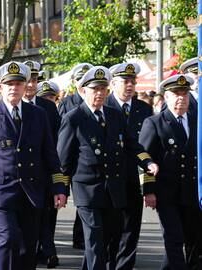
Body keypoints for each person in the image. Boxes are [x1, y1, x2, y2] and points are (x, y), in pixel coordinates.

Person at [0, 61, 67, 270]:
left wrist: (59, 187)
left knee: (28, 246)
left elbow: (50, 154)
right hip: (1, 190)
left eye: (19, 83)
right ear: (0, 87)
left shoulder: (38, 114)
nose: (14, 87)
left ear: (25, 86)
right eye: (9, 83)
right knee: (8, 238)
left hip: (32, 189)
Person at [57, 66, 159, 270]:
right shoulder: (74, 118)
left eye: (103, 89)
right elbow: (63, 160)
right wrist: (60, 190)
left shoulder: (114, 115)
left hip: (113, 189)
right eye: (95, 89)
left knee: (107, 241)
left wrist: (147, 162)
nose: (100, 93)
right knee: (95, 241)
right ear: (83, 90)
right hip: (88, 191)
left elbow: (131, 144)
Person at [139, 74, 200, 270]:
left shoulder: (196, 121)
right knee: (174, 238)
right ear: (166, 96)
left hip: (192, 191)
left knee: (194, 240)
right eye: (176, 94)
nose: (181, 98)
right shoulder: (155, 122)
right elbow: (144, 158)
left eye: (184, 93)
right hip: (167, 192)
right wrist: (148, 190)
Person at [105, 63, 153, 270]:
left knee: (131, 230)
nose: (130, 85)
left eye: (133, 81)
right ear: (113, 83)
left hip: (133, 177)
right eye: (125, 81)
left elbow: (149, 147)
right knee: (110, 231)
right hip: (108, 179)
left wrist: (149, 185)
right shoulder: (103, 106)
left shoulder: (144, 108)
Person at [22, 60, 62, 268]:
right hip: (22, 174)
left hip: (44, 171)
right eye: (27, 80)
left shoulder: (48, 107)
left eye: (35, 80)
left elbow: (55, 141)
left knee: (47, 211)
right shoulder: (13, 106)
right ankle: (38, 249)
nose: (30, 85)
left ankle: (46, 249)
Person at [58, 63, 94, 250]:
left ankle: (81, 237)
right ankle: (79, 237)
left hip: (88, 162)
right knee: (81, 202)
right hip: (72, 159)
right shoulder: (67, 103)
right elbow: (63, 134)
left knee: (87, 203)